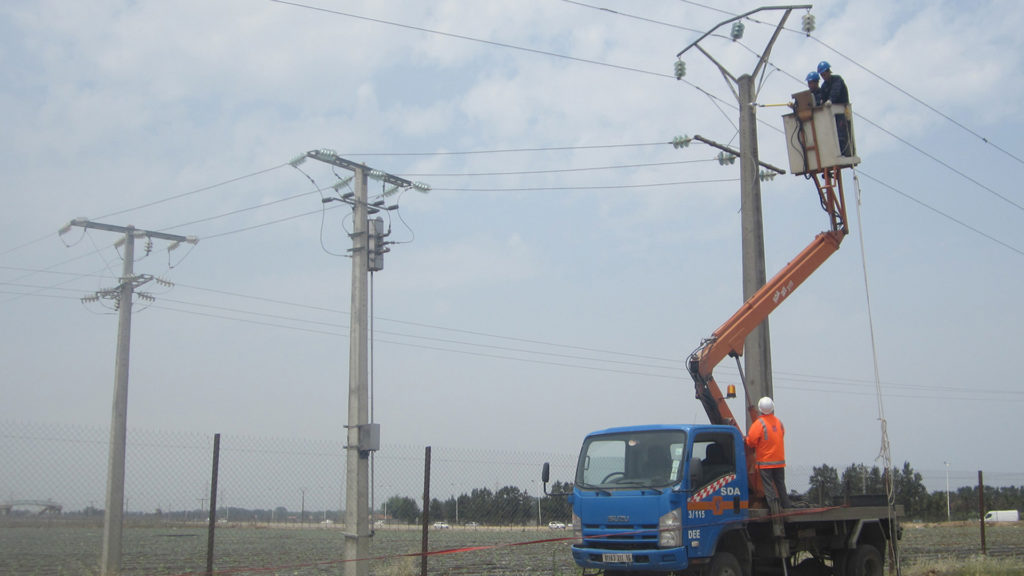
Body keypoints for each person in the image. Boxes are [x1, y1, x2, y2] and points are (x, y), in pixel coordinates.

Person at [745, 396, 792, 510]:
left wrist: (746, 440)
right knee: (780, 485)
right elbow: (781, 435)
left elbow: (751, 442)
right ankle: (786, 506)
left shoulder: (759, 424)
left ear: (760, 409)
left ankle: (774, 508)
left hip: (766, 462)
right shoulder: (778, 422)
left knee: (768, 487)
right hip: (779, 462)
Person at [817, 61, 852, 155]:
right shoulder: (824, 86)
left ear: (828, 72)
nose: (823, 77)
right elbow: (822, 97)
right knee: (831, 133)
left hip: (841, 110)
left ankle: (844, 153)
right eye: (822, 75)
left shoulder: (837, 80)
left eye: (824, 74)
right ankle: (834, 152)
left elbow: (835, 91)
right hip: (831, 113)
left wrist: (830, 100)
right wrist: (821, 102)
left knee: (841, 133)